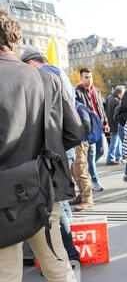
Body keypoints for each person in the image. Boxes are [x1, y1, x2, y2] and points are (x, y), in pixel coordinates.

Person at [0, 9, 83, 282]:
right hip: (43, 191)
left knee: (7, 279)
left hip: (2, 199)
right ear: (15, 40)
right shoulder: (48, 80)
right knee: (58, 266)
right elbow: (75, 132)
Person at [19, 47, 83, 264]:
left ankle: (68, 254)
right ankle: (66, 252)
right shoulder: (58, 72)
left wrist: (52, 145)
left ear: (30, 64)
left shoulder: (46, 76)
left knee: (58, 204)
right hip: (61, 148)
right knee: (60, 202)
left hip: (53, 151)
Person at [75, 68, 110, 192]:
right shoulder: (77, 92)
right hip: (89, 128)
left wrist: (105, 122)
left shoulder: (96, 90)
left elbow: (100, 108)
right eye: (86, 77)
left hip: (100, 126)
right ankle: (94, 180)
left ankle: (88, 168)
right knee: (92, 153)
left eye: (90, 77)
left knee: (102, 151)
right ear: (81, 78)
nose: (89, 79)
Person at [104, 85, 125, 165]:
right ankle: (110, 158)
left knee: (116, 142)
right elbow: (118, 113)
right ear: (120, 93)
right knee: (114, 143)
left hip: (110, 123)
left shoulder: (109, 98)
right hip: (115, 124)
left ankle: (118, 157)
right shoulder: (117, 101)